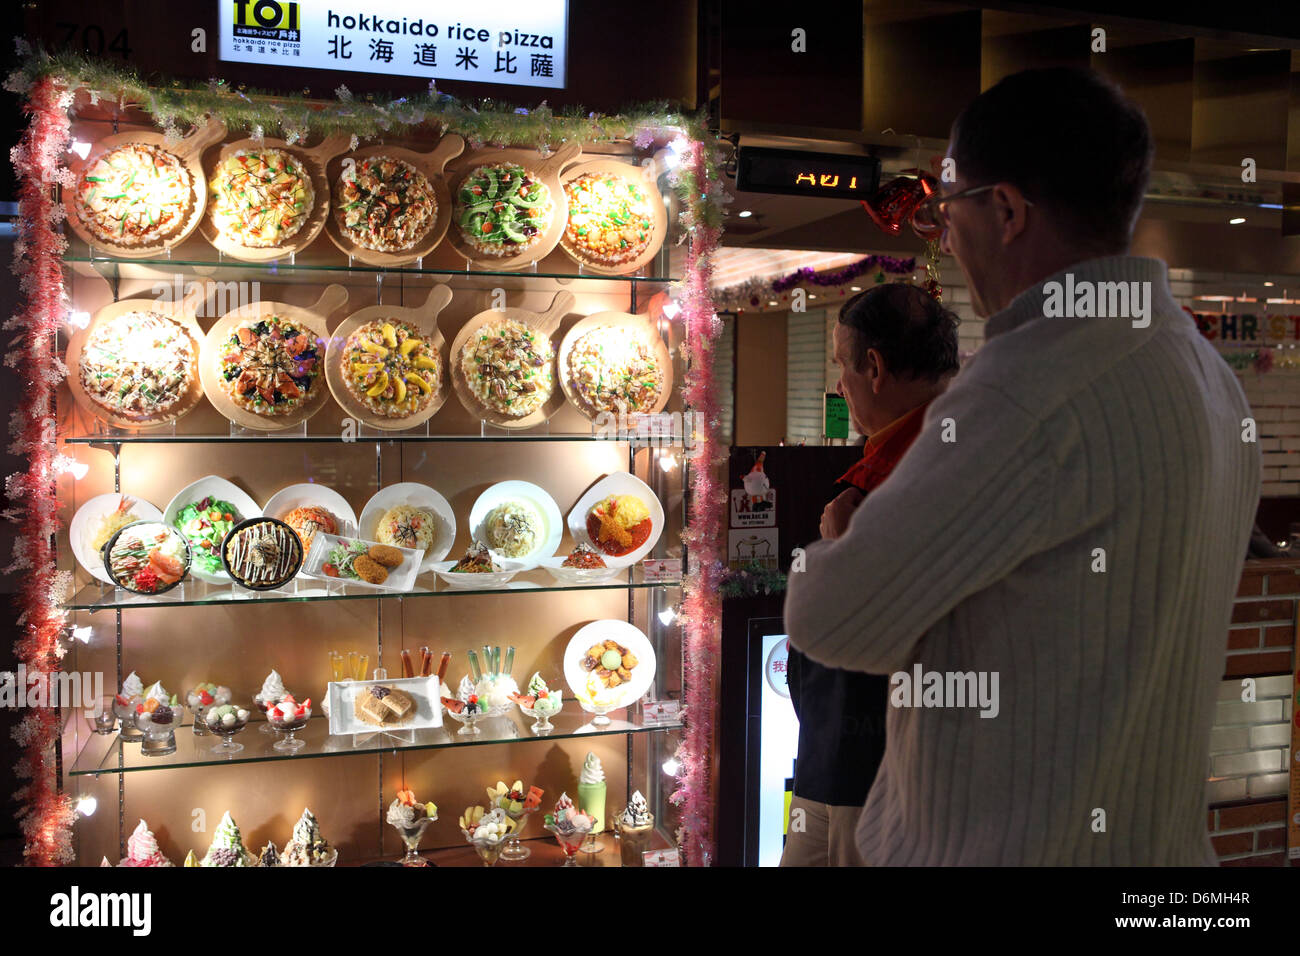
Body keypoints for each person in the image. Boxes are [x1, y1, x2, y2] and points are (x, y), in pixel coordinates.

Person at [784, 66, 1260, 865]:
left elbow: (830, 619)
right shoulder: (1205, 371)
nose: (945, 238)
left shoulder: (1028, 383)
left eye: (946, 212)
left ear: (1004, 209)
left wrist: (835, 542)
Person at [781, 283, 959, 867]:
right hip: (835, 756)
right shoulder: (932, 449)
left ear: (874, 368)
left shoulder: (922, 468)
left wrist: (845, 554)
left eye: (842, 366)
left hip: (880, 769)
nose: (840, 385)